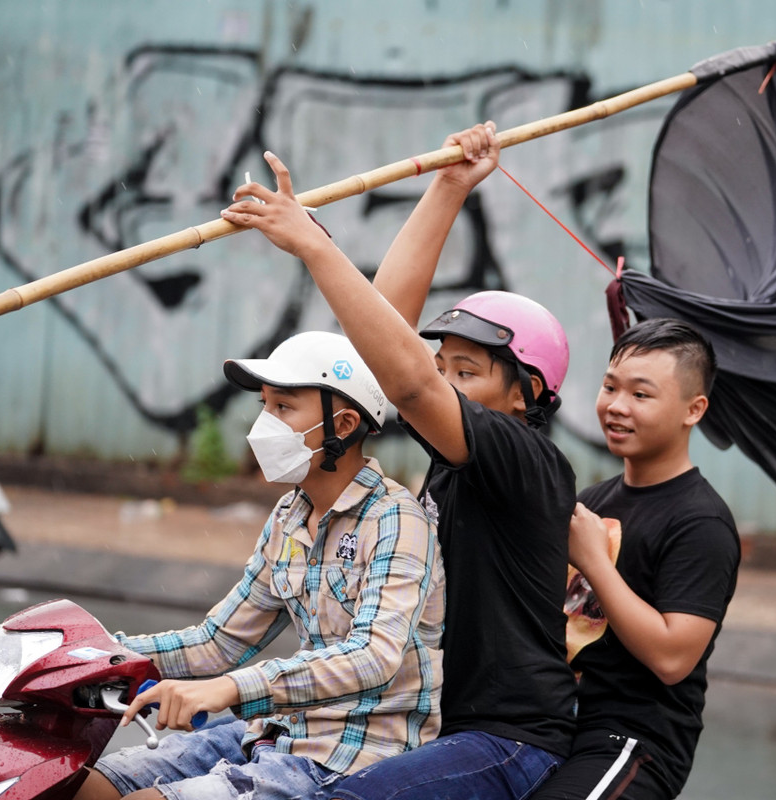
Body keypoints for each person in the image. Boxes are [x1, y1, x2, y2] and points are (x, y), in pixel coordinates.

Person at [222, 123, 577, 800]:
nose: (442, 382)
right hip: (433, 724)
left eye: (465, 371)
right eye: (443, 365)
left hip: (505, 738)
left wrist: (312, 246)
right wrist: (448, 186)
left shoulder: (526, 457)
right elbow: (384, 338)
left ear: (525, 393)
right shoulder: (457, 452)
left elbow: (409, 380)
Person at [74, 331, 444, 800]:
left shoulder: (395, 519)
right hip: (273, 731)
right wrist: (95, 657)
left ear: (345, 424)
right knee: (89, 787)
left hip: (351, 756)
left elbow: (374, 657)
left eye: (284, 408)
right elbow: (219, 641)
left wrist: (228, 690)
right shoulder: (290, 515)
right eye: (264, 405)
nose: (264, 424)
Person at [532, 318, 740, 800]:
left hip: (631, 742)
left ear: (694, 409)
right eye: (610, 387)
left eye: (641, 395)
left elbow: (672, 658)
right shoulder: (593, 499)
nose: (616, 407)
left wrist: (594, 562)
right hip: (554, 724)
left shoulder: (701, 522)